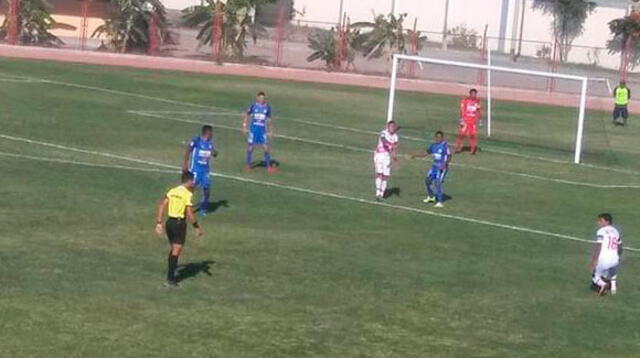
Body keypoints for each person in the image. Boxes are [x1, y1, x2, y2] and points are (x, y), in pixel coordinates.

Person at [155, 171, 204, 288]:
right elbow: (190, 213)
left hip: (169, 223)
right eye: (192, 181)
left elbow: (162, 205)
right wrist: (196, 226)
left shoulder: (173, 191)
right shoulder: (187, 194)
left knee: (173, 249)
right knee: (176, 250)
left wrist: (159, 223)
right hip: (179, 224)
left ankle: (171, 272)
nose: (194, 183)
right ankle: (170, 279)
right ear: (189, 181)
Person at [182, 125, 217, 215]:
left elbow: (214, 152)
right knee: (191, 189)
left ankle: (203, 208)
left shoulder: (210, 143)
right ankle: (185, 207)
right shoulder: (196, 141)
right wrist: (185, 164)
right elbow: (188, 151)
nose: (212, 134)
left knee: (207, 189)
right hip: (196, 170)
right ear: (207, 133)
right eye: (211, 132)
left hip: (205, 171)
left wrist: (214, 153)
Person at [411, 131, 451, 208]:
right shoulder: (433, 146)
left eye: (440, 137)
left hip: (442, 168)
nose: (438, 139)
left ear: (442, 138)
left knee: (437, 183)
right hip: (434, 167)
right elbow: (425, 153)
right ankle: (431, 196)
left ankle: (440, 202)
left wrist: (444, 164)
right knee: (427, 180)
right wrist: (415, 155)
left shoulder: (445, 146)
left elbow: (449, 156)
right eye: (437, 137)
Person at [243, 92, 276, 173]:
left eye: (263, 98)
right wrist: (244, 126)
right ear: (257, 98)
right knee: (251, 147)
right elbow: (247, 115)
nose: (262, 99)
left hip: (262, 131)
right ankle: (248, 165)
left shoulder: (267, 107)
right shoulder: (253, 106)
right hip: (253, 130)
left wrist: (271, 130)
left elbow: (269, 119)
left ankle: (268, 166)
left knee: (266, 147)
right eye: (260, 98)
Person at [590, 213, 623, 296]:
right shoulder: (616, 231)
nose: (598, 222)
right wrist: (618, 256)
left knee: (595, 275)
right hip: (614, 260)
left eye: (601, 221)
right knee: (604, 272)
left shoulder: (601, 231)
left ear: (607, 222)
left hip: (604, 259)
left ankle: (603, 285)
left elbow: (599, 245)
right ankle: (609, 283)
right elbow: (620, 246)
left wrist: (594, 259)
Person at [373, 121, 399, 201]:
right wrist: (391, 144)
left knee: (386, 176)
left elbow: (395, 148)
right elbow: (384, 141)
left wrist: (394, 157)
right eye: (390, 126)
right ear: (388, 127)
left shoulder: (395, 137)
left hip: (387, 157)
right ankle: (378, 193)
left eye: (393, 127)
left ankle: (382, 194)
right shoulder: (383, 133)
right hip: (379, 155)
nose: (392, 128)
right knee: (379, 174)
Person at [455, 89, 481, 154]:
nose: (473, 95)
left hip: (473, 122)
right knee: (462, 135)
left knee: (473, 135)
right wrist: (461, 119)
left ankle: (472, 150)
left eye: (475, 94)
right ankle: (458, 148)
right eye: (472, 94)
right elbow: (462, 110)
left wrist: (479, 120)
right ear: (470, 94)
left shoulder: (477, 101)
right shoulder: (465, 101)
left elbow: (478, 111)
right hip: (466, 121)